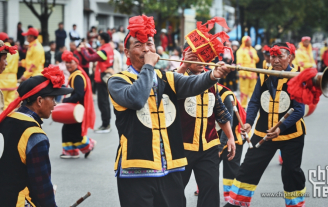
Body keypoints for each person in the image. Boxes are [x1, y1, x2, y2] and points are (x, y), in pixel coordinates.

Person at [108, 15, 233, 207]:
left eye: (149, 43)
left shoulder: (167, 77)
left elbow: (192, 84)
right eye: (138, 45)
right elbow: (137, 98)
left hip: (171, 168)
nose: (146, 49)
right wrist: (149, 65)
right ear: (126, 52)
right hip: (136, 168)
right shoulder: (118, 81)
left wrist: (212, 75)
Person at [224, 43, 306, 207]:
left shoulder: (297, 77)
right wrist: (248, 122)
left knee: (291, 173)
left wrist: (280, 128)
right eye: (272, 56)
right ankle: (236, 203)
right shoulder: (263, 76)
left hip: (291, 135)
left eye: (280, 56)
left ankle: (295, 205)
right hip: (264, 132)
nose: (275, 60)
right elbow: (254, 102)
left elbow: (299, 110)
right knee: (248, 168)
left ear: (290, 58)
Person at [0, 65, 73, 207]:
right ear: (39, 101)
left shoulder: (4, 120)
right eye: (53, 98)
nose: (55, 104)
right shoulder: (34, 135)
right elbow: (41, 188)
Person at [175, 44, 236, 207]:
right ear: (186, 56)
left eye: (205, 56)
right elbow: (166, 88)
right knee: (174, 193)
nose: (202, 60)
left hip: (209, 147)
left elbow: (219, 111)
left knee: (210, 194)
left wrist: (230, 137)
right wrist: (184, 66)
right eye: (197, 56)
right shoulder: (177, 78)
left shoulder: (211, 81)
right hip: (181, 148)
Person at [60, 51, 96, 158]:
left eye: (70, 62)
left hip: (78, 110)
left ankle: (89, 144)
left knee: (74, 133)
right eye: (66, 62)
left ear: (76, 63)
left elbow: (79, 94)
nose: (68, 65)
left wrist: (66, 101)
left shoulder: (77, 77)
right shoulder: (75, 75)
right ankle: (72, 151)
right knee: (67, 130)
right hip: (75, 109)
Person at [80, 32, 114, 133]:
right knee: (105, 102)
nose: (98, 41)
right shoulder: (108, 48)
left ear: (103, 40)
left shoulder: (104, 51)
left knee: (103, 103)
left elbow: (90, 58)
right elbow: (96, 54)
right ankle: (106, 124)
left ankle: (105, 125)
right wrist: (88, 48)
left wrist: (82, 49)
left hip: (102, 79)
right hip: (104, 77)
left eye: (99, 39)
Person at [0, 33, 20, 109]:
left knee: (0, 104)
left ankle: (2, 120)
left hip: (1, 81)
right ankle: (9, 120)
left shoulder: (1, 50)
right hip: (12, 81)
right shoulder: (15, 51)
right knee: (10, 105)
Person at [236, 36, 259, 108]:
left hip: (253, 74)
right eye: (249, 41)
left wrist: (253, 57)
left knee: (253, 91)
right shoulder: (240, 51)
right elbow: (239, 63)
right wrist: (242, 73)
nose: (250, 42)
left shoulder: (253, 50)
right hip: (245, 74)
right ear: (245, 42)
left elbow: (257, 60)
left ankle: (253, 105)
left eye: (250, 41)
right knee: (244, 90)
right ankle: (243, 106)